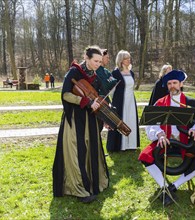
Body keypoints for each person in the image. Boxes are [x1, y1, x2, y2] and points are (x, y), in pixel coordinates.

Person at [138, 70, 195, 206]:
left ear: (181, 84)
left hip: (185, 141)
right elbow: (151, 124)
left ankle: (173, 187)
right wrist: (159, 134)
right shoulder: (160, 103)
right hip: (164, 141)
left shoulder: (192, 103)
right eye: (169, 83)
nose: (172, 86)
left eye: (175, 83)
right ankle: (164, 186)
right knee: (145, 155)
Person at [52, 45, 109, 203]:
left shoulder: (96, 76)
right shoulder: (74, 72)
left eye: (100, 61)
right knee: (77, 151)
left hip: (90, 118)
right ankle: (78, 188)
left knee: (90, 149)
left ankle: (93, 183)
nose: (98, 64)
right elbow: (66, 95)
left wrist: (101, 104)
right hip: (75, 119)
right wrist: (84, 101)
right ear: (86, 58)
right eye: (95, 61)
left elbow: (100, 94)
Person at [106, 50, 140, 152]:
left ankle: (131, 145)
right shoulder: (115, 73)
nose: (128, 60)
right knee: (121, 121)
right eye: (126, 58)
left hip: (131, 101)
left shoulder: (132, 73)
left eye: (129, 58)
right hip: (120, 101)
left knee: (131, 120)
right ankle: (120, 146)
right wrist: (113, 102)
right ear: (121, 60)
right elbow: (110, 89)